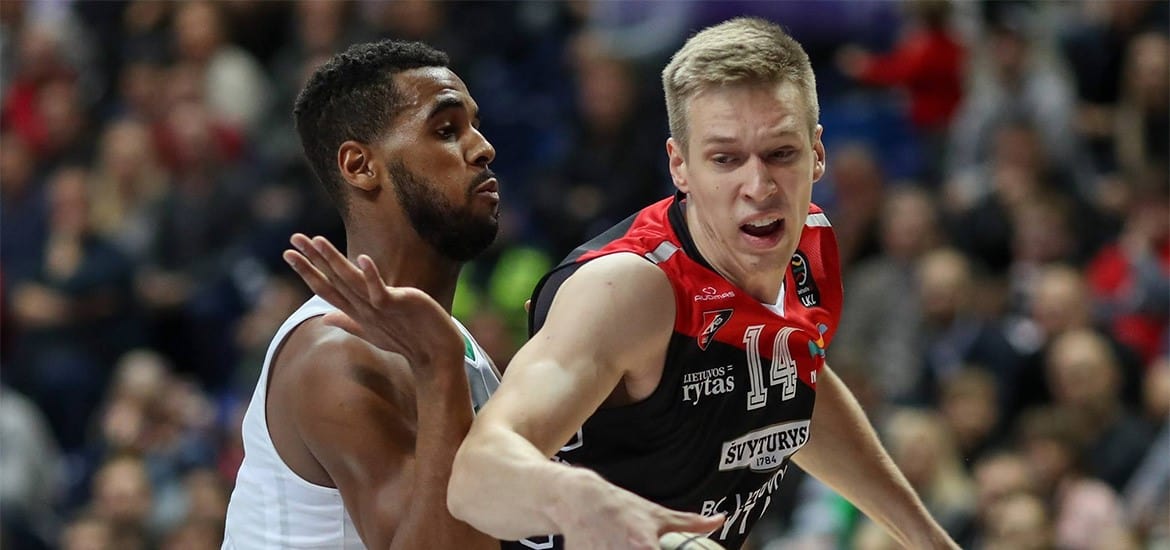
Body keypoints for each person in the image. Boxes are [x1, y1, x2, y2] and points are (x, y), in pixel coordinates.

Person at [301, 18, 958, 550]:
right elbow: (475, 478)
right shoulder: (627, 291)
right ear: (680, 166)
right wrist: (582, 500)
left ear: (817, 153)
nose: (758, 187)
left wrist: (927, 538)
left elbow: (794, 380)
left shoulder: (805, 241)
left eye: (780, 154)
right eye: (725, 159)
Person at [221, 40, 501, 549]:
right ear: (360, 166)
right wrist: (439, 369)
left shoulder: (446, 342)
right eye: (446, 130)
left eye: (475, 126)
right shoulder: (336, 354)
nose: (483, 148)